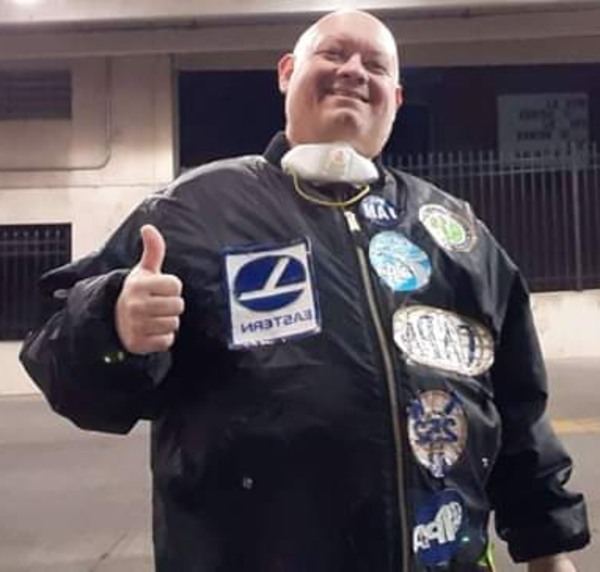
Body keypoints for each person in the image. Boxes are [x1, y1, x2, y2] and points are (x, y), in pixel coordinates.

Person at [20, 9, 589, 572]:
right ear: (287, 72)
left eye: (375, 65)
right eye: (333, 54)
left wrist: (548, 548)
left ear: (395, 97)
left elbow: (516, 404)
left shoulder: (453, 231)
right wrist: (113, 323)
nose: (354, 71)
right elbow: (58, 363)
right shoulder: (196, 210)